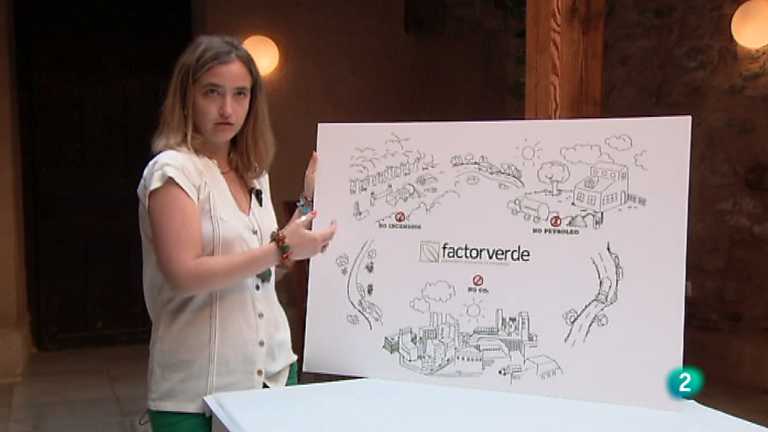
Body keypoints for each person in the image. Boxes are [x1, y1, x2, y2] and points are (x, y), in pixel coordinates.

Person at [136, 35, 336, 432]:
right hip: (195, 394)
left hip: (274, 376)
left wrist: (308, 203)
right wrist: (279, 248)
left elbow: (267, 271)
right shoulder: (173, 171)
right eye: (212, 92)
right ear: (187, 97)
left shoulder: (253, 171)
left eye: (240, 94)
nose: (227, 108)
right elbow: (183, 273)